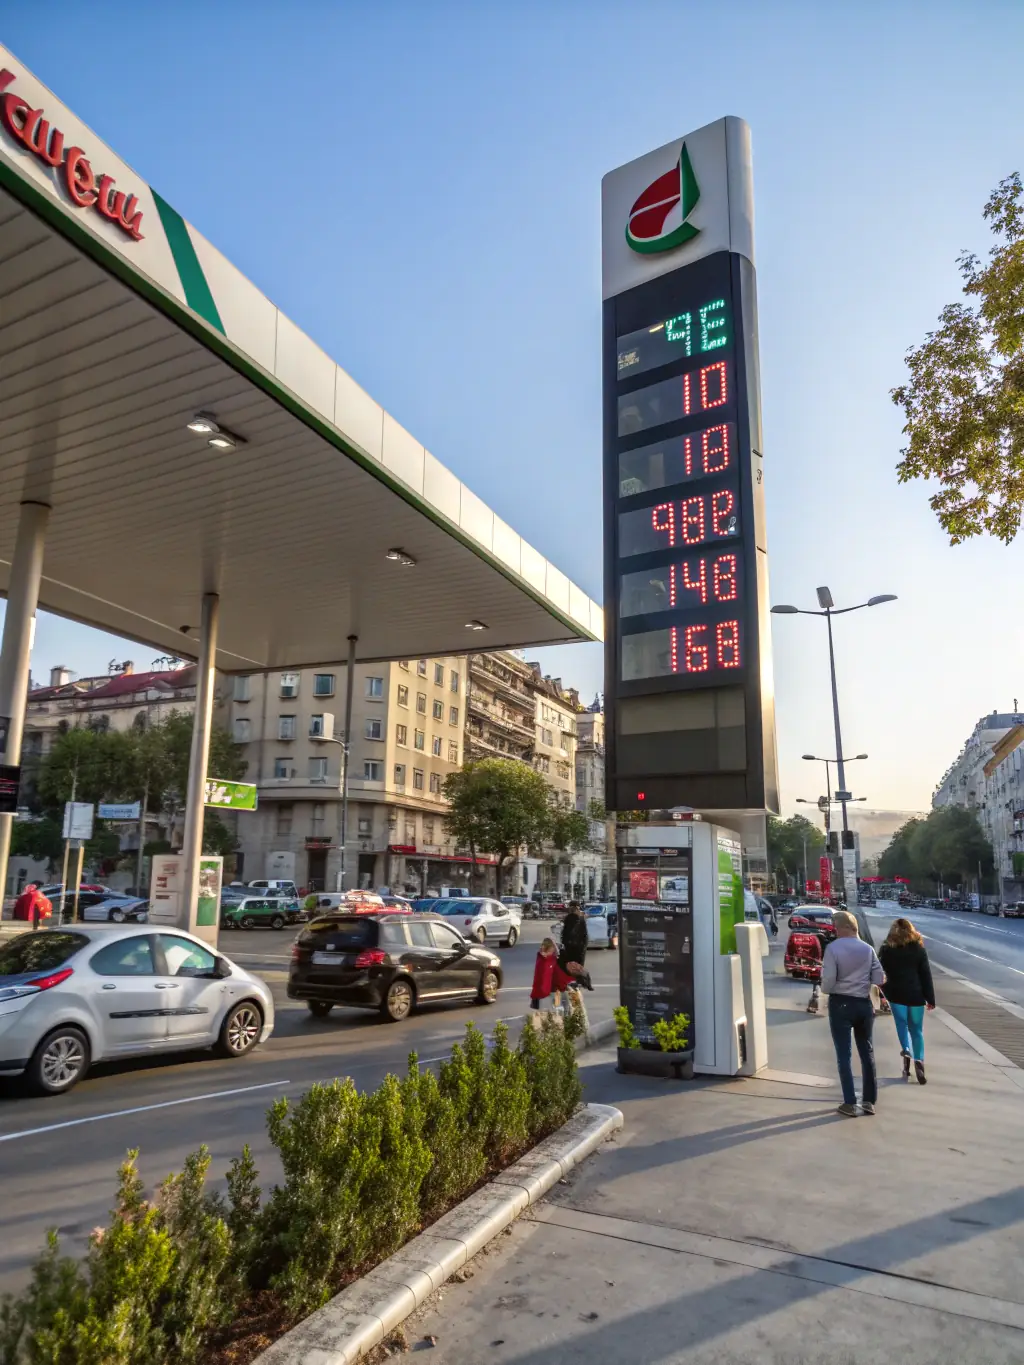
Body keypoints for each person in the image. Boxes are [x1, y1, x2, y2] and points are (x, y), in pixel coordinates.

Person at [821, 908, 885, 1117]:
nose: (835, 930)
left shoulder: (833, 948)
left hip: (841, 1003)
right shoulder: (868, 949)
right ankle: (869, 1101)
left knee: (844, 1054)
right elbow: (879, 978)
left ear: (844, 928)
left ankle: (849, 1102)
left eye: (836, 927)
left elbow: (828, 981)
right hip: (863, 1004)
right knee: (867, 1052)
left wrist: (826, 988)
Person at [878, 917, 935, 1084]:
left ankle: (907, 1049)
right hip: (916, 995)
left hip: (896, 995)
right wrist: (930, 998)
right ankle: (919, 1061)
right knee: (916, 1030)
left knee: (901, 1025)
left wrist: (882, 993)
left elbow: (880, 973)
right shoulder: (919, 949)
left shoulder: (887, 949)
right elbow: (925, 975)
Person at [531, 936, 574, 1011]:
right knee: (554, 1011)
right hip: (545, 993)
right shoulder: (545, 960)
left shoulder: (546, 958)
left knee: (557, 1009)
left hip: (550, 991)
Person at [558, 902, 593, 991]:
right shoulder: (579, 917)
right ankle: (580, 982)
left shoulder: (573, 918)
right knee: (576, 966)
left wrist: (565, 943)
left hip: (573, 946)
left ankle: (577, 982)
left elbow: (566, 933)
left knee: (573, 966)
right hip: (577, 946)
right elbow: (583, 934)